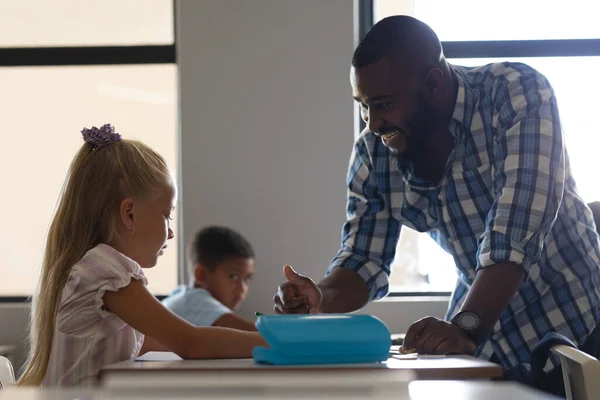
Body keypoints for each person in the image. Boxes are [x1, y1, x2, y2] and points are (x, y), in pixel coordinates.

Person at [273, 15, 600, 393]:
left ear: (432, 82)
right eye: (363, 105)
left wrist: (465, 327)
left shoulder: (514, 93)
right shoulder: (373, 155)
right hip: (492, 342)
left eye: (383, 104)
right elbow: (363, 260)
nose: (373, 122)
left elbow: (516, 227)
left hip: (580, 320)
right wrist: (320, 297)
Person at [19, 124, 265, 387]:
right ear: (129, 214)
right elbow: (191, 342)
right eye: (166, 215)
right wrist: (278, 341)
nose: (170, 233)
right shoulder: (106, 270)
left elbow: (163, 342)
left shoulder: (92, 269)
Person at [162, 226, 256, 331]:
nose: (242, 288)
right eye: (233, 276)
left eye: (246, 279)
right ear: (201, 274)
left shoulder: (181, 296)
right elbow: (263, 338)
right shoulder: (194, 303)